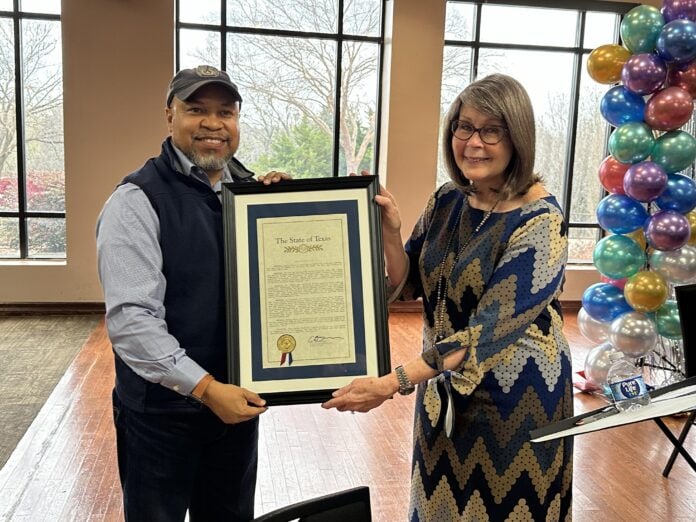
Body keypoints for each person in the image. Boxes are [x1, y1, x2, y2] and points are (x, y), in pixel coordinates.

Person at [323, 74, 573, 521]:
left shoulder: (540, 221)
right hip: (442, 393)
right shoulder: (448, 201)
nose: (473, 143)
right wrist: (392, 234)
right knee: (439, 503)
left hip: (515, 406)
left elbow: (483, 336)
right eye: (464, 126)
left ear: (517, 137)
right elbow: (412, 284)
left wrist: (389, 383)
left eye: (491, 130)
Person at [96, 65, 288, 521]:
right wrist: (205, 389)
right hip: (162, 415)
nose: (212, 123)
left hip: (236, 407)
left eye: (225, 111)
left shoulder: (250, 194)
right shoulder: (137, 200)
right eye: (196, 109)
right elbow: (130, 321)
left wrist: (287, 214)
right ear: (169, 116)